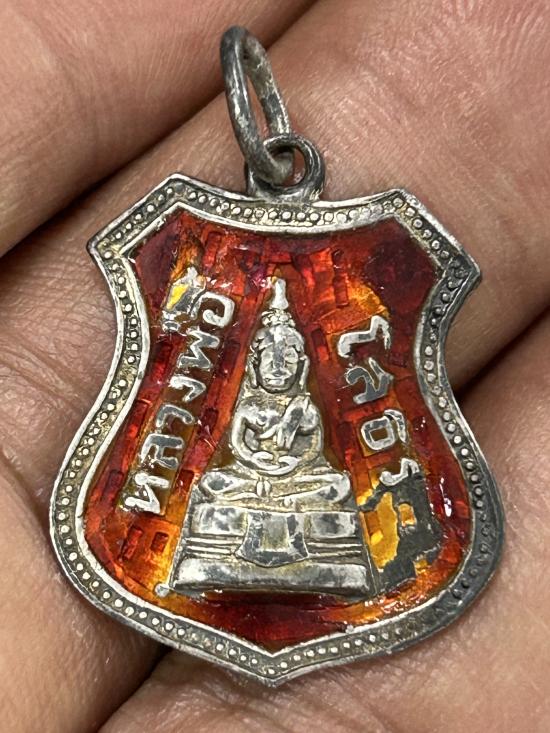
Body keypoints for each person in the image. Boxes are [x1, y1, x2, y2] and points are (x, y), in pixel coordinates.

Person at [1, 1, 549, 731]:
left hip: (299, 491)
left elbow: (309, 452)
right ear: (261, 353)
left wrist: (289, 460)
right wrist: (257, 462)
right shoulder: (253, 397)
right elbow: (242, 447)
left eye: (289, 355)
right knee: (217, 480)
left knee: (330, 482)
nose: (282, 365)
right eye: (273, 354)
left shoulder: (300, 402)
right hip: (250, 489)